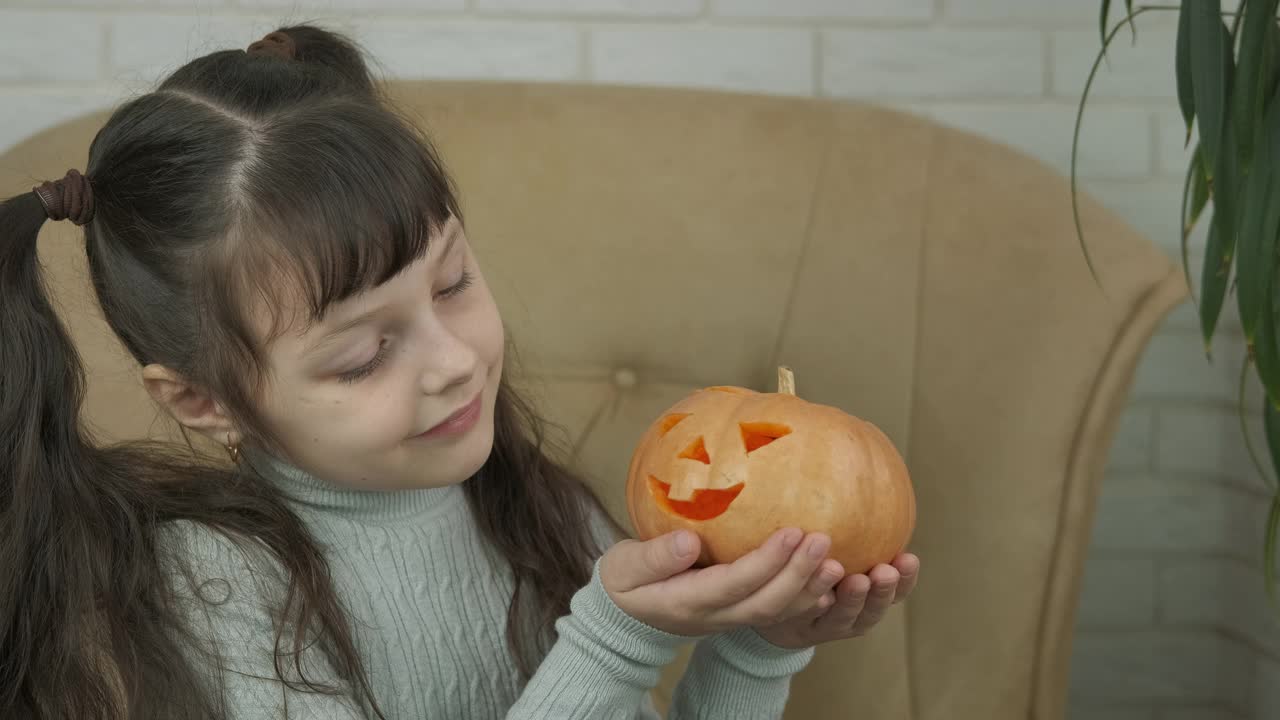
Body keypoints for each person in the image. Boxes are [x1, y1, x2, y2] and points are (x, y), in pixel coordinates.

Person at [0, 25, 920, 720]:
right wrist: (616, 639)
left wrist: (761, 648)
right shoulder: (217, 586)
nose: (453, 363)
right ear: (202, 399)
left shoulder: (543, 510)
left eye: (452, 283)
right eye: (364, 357)